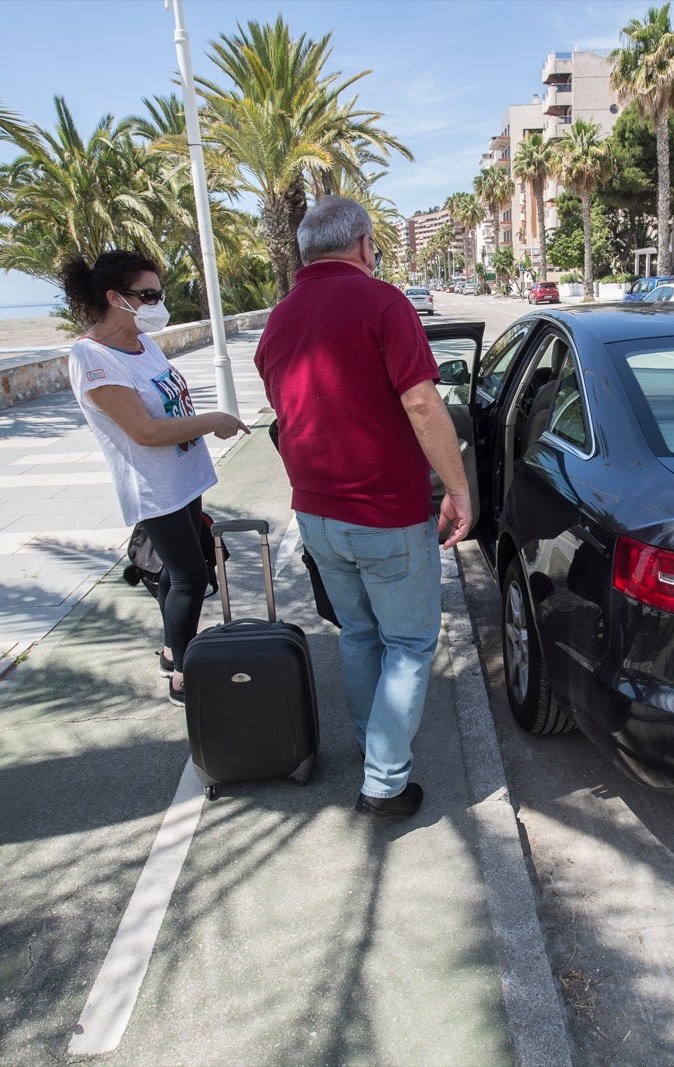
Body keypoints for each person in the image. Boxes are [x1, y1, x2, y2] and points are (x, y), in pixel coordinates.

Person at [255, 196, 471, 821]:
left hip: (317, 513)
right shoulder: (383, 302)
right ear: (364, 245)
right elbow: (425, 405)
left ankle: (372, 742)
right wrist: (458, 490)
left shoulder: (280, 318)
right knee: (408, 642)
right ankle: (384, 782)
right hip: (385, 514)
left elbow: (285, 409)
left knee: (359, 634)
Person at [61, 250, 248, 706]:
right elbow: (142, 431)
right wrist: (212, 421)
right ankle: (183, 676)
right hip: (154, 486)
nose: (158, 302)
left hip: (184, 477)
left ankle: (171, 649)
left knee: (176, 571)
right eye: (148, 295)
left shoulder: (145, 344)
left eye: (159, 293)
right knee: (190, 577)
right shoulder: (92, 358)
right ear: (114, 298)